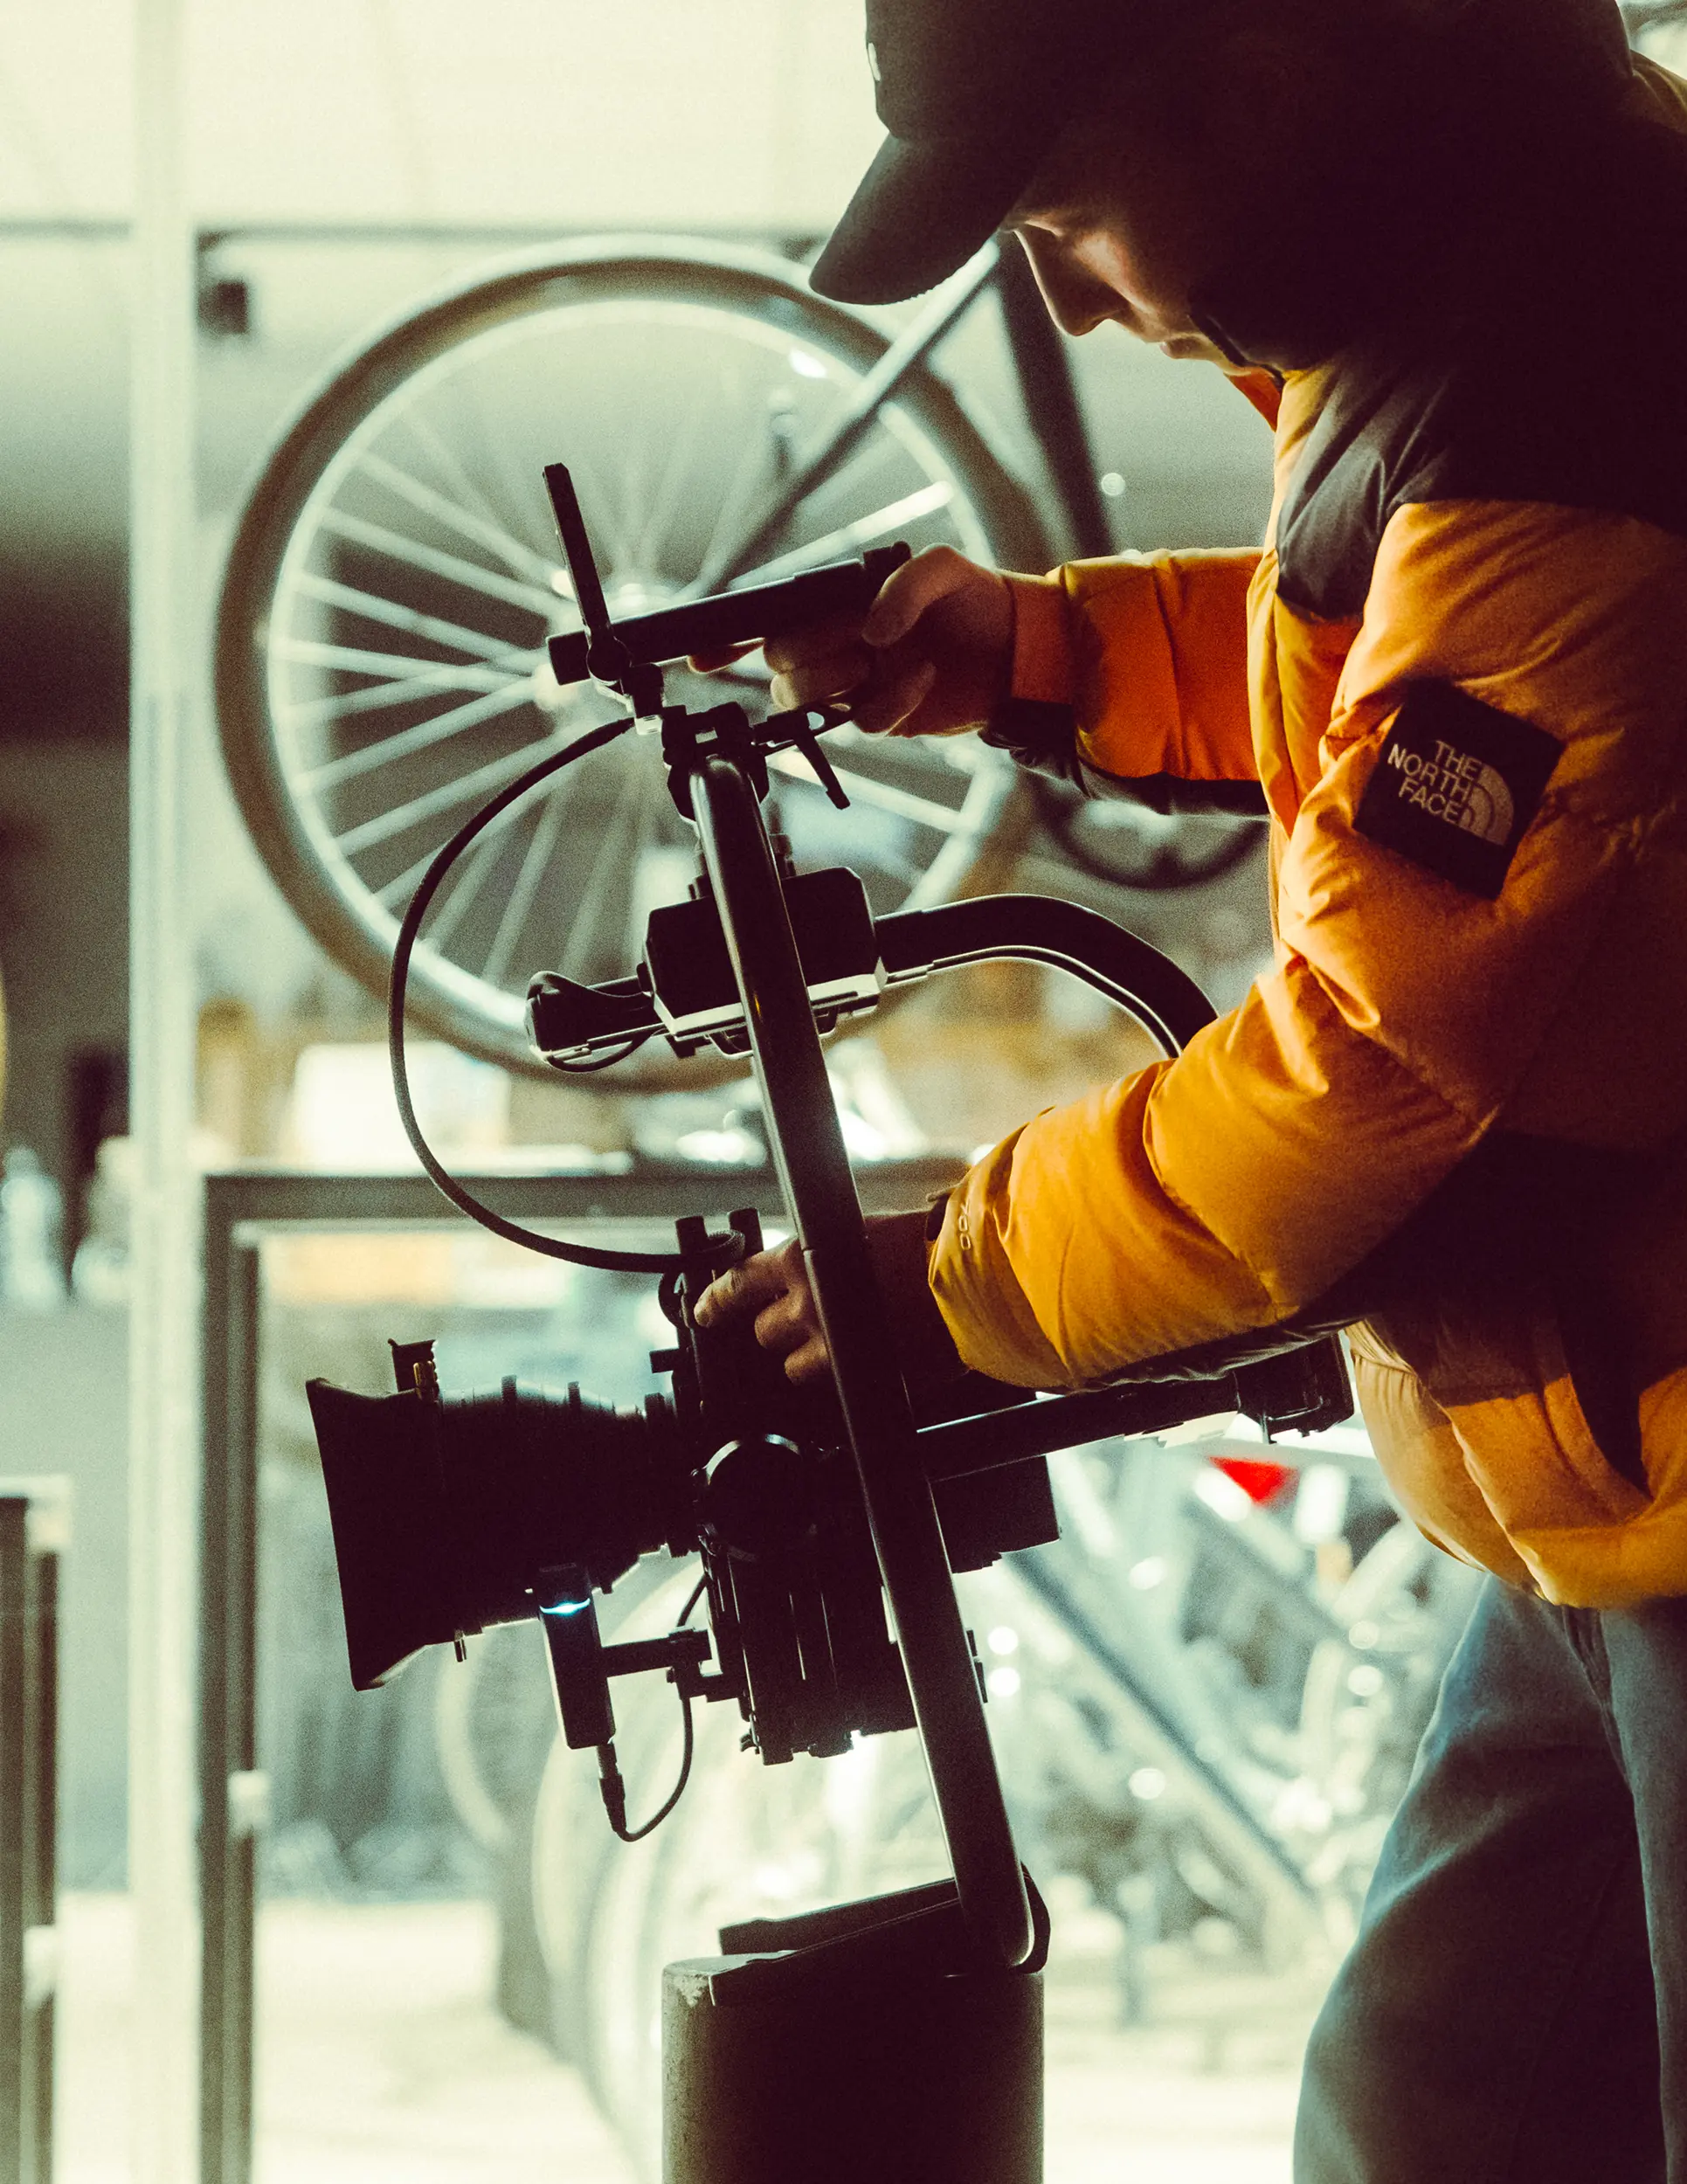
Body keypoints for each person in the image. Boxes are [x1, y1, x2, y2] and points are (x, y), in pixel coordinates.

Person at [694, 0, 1687, 2173]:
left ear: (1253, 80)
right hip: (1590, 1490)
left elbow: (1367, 1071)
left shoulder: (1573, 366)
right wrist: (1047, 656)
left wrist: (946, 1276)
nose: (1059, 288)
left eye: (1061, 214)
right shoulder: (1476, 302)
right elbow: (1421, 683)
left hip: (1662, 1469)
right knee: (1418, 2112)